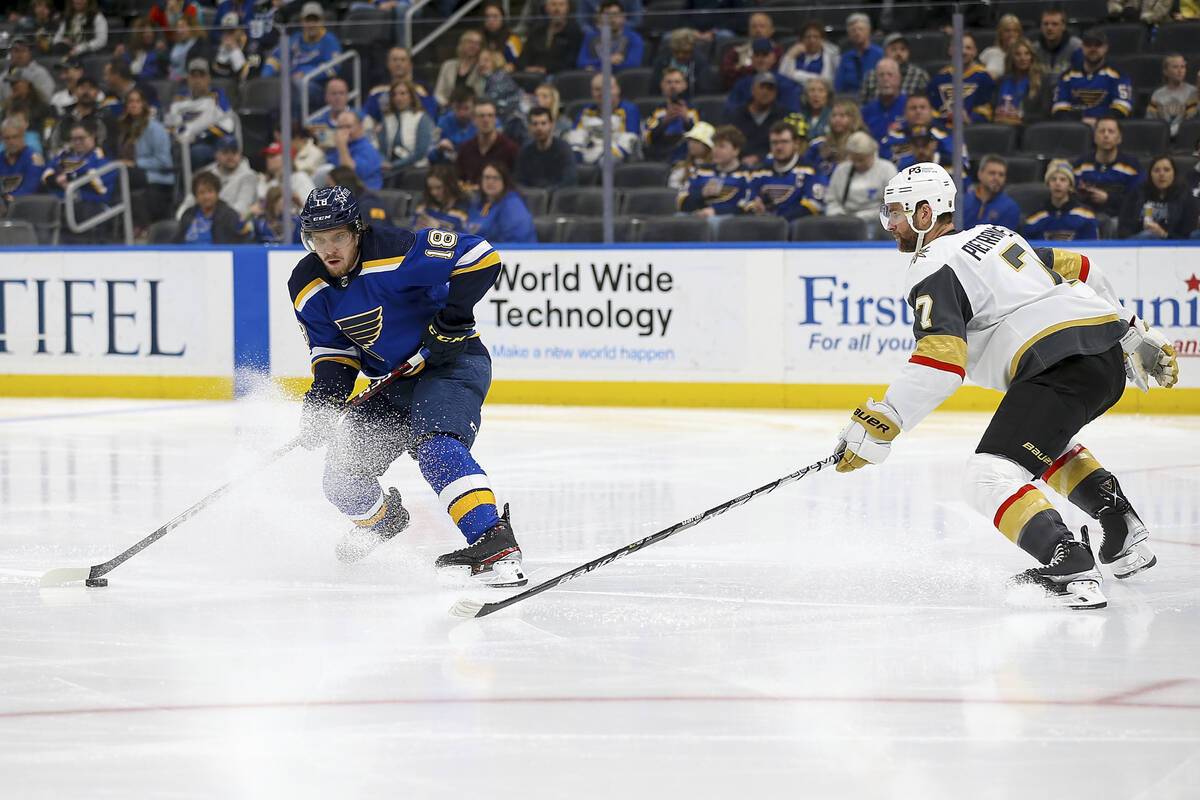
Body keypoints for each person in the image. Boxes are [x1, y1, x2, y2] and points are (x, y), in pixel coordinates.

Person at [841, 160, 1176, 609]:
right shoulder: (996, 235)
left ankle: (1068, 561)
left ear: (925, 214)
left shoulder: (932, 262)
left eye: (897, 213)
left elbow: (942, 360)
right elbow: (1080, 267)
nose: (891, 225)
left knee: (988, 474)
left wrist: (886, 418)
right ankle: (1120, 527)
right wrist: (1131, 329)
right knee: (1042, 443)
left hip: (1057, 363)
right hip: (1104, 354)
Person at [288, 184, 528, 585]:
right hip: (393, 382)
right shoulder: (306, 285)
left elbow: (481, 257)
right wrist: (324, 402)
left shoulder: (395, 249)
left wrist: (451, 320)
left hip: (451, 364)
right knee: (341, 477)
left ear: (358, 231)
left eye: (339, 237)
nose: (329, 249)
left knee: (435, 446)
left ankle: (494, 541)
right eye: (319, 239)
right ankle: (384, 521)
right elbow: (335, 354)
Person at [40, 119, 115, 242]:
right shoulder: (63, 156)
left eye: (81, 138)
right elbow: (46, 175)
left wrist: (69, 178)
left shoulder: (101, 157)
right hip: (60, 202)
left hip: (91, 205)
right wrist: (58, 180)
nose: (77, 142)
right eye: (74, 139)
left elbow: (99, 185)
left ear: (92, 136)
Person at [261, 2, 343, 115]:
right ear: (302, 21)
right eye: (308, 20)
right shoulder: (295, 39)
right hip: (291, 83)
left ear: (322, 21)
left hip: (317, 85)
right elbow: (276, 58)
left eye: (315, 20)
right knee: (271, 88)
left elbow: (334, 67)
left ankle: (296, 125)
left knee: (296, 87)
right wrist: (266, 76)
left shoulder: (329, 40)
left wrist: (306, 74)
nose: (311, 24)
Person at [114, 87, 174, 229]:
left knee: (123, 175)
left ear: (144, 104)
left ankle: (141, 227)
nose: (133, 105)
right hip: (132, 175)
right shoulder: (124, 129)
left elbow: (164, 161)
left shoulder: (155, 128)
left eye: (137, 101)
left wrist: (135, 163)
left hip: (155, 177)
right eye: (130, 102)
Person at [741, 120, 823, 220]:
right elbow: (748, 200)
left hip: (795, 227)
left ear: (796, 143)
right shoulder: (760, 172)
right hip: (763, 225)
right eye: (774, 142)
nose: (779, 147)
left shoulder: (811, 171)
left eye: (784, 142)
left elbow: (814, 204)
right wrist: (755, 208)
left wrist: (780, 220)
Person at [165, 58, 235, 169]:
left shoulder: (217, 96)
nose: (197, 80)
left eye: (201, 76)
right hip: (179, 143)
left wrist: (198, 137)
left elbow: (228, 124)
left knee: (197, 152)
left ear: (208, 78)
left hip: (206, 142)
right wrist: (174, 138)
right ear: (188, 78)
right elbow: (169, 125)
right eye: (194, 76)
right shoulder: (178, 98)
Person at [1051, 29, 1133, 123]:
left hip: (1106, 128)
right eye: (1088, 45)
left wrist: (1100, 122)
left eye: (1097, 45)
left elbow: (1123, 105)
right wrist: (1080, 122)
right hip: (1074, 128)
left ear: (1105, 48)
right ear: (1082, 47)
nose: (1093, 49)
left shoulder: (1118, 75)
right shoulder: (1067, 76)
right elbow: (1059, 108)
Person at [1072, 117, 1143, 217]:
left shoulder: (1132, 166)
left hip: (1118, 218)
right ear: (1094, 137)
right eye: (1102, 131)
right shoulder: (1080, 165)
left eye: (1111, 131)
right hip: (1085, 217)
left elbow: (1136, 200)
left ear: (1119, 138)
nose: (1106, 135)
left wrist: (1108, 199)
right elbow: (1070, 195)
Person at [1118, 154, 1200, 239]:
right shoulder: (1137, 194)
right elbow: (1124, 227)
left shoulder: (1186, 197)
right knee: (1147, 235)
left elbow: (1188, 234)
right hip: (1138, 244)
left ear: (1174, 174)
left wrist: (1163, 234)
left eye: (1166, 170)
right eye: (1156, 170)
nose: (1161, 174)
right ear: (1150, 174)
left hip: (1173, 246)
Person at [565, 73, 642, 165]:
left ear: (617, 89)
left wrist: (600, 159)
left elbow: (627, 142)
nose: (602, 92)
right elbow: (575, 138)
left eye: (607, 88)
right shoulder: (586, 111)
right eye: (597, 89)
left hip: (618, 160)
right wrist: (577, 159)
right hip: (589, 159)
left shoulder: (629, 110)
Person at [677, 124, 750, 219]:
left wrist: (716, 212)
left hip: (730, 224)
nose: (715, 151)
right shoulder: (700, 171)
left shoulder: (747, 176)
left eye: (721, 147)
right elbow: (681, 202)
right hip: (697, 220)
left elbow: (748, 207)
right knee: (679, 217)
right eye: (714, 145)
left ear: (736, 150)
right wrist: (701, 194)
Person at [824, 131, 897, 224]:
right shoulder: (841, 170)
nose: (857, 164)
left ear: (872, 153)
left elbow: (892, 206)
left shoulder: (887, 169)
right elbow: (831, 200)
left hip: (876, 223)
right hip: (844, 221)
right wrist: (839, 215)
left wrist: (859, 217)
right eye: (853, 159)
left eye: (861, 160)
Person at [178, 134, 258, 219]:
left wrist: (214, 221)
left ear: (240, 154)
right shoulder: (207, 173)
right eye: (225, 152)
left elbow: (241, 208)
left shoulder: (248, 176)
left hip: (234, 223)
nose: (230, 156)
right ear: (216, 155)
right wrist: (182, 218)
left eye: (234, 152)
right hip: (206, 221)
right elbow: (189, 201)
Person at [927, 33, 994, 127]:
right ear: (950, 50)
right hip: (942, 129)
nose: (963, 51)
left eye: (968, 48)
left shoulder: (985, 77)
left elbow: (987, 110)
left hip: (970, 130)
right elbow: (931, 108)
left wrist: (970, 118)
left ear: (975, 51)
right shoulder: (939, 78)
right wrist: (943, 119)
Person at [1023, 159, 1100, 240]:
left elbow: (1092, 246)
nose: (1057, 183)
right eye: (1053, 179)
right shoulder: (1034, 218)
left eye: (1063, 179)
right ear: (1048, 184)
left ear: (1070, 185)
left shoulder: (1086, 215)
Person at [724, 72, 788, 168]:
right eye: (762, 87)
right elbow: (726, 142)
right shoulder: (736, 114)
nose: (765, 92)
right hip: (738, 165)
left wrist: (760, 157)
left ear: (775, 93)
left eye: (770, 88)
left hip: (772, 166)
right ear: (752, 90)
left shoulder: (783, 115)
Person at [724, 39, 803, 115]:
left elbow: (793, 113)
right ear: (752, 59)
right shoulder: (742, 84)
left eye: (765, 55)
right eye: (757, 55)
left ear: (773, 58)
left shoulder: (786, 83)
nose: (760, 59)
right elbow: (730, 111)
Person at [173, 170, 252, 243]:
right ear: (195, 195)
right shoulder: (188, 214)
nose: (206, 197)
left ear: (217, 192)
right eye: (201, 192)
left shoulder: (230, 215)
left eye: (210, 191)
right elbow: (177, 241)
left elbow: (244, 240)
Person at [466, 161, 536, 242]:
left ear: (504, 181)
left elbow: (518, 237)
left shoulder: (512, 204)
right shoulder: (479, 203)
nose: (490, 182)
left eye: (495, 178)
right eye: (487, 177)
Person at [364, 47, 437, 124]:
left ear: (410, 64)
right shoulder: (377, 90)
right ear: (388, 64)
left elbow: (430, 117)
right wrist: (375, 127)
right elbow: (365, 116)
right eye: (394, 60)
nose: (398, 64)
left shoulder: (422, 89)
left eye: (403, 60)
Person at [48, 76, 115, 158]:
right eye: (82, 87)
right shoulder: (64, 117)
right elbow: (52, 144)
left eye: (91, 88)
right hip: (65, 163)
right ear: (75, 91)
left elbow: (108, 148)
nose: (86, 91)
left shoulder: (105, 117)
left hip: (95, 165)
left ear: (97, 93)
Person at [456, 101, 520, 186]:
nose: (486, 120)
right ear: (473, 120)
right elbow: (459, 178)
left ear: (496, 119)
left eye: (490, 115)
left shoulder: (510, 149)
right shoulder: (466, 148)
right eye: (481, 116)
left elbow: (515, 182)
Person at [644, 67, 700, 163]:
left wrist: (686, 120)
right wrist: (664, 122)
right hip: (660, 156)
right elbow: (648, 139)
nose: (673, 86)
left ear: (685, 85)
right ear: (662, 85)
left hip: (688, 156)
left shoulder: (694, 110)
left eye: (677, 82)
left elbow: (701, 139)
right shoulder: (656, 111)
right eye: (669, 82)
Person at [993, 38, 1052, 128]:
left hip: (1027, 130)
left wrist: (1020, 115)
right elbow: (991, 107)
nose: (1023, 58)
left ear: (1032, 56)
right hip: (1000, 128)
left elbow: (1045, 115)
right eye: (1017, 54)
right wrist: (996, 111)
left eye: (1027, 54)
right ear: (1011, 57)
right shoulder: (1000, 81)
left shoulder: (1042, 81)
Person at [376, 80, 434, 171]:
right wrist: (384, 162)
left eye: (402, 94)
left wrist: (394, 165)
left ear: (411, 97)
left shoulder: (421, 118)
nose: (398, 98)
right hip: (389, 167)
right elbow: (382, 149)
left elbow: (420, 153)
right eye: (394, 94)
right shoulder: (387, 118)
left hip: (415, 167)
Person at [858, 33, 930, 105]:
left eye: (903, 49)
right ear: (884, 53)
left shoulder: (919, 75)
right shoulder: (871, 75)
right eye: (893, 49)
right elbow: (862, 105)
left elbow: (927, 104)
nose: (899, 53)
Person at [515, 106, 577, 189]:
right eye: (535, 124)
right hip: (532, 198)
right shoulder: (525, 151)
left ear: (552, 125)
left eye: (543, 123)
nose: (539, 128)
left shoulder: (564, 150)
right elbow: (519, 181)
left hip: (557, 198)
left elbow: (569, 182)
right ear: (529, 127)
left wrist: (545, 194)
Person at [805, 99, 867, 181]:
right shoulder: (820, 143)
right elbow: (804, 166)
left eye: (842, 116)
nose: (837, 120)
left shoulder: (862, 142)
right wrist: (820, 157)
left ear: (854, 119)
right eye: (834, 116)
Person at [519, 0, 585, 76]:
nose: (557, 9)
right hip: (532, 75)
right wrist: (527, 68)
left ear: (567, 8)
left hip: (558, 77)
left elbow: (571, 63)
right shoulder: (537, 31)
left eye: (561, 5)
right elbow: (523, 57)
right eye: (553, 4)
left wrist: (546, 70)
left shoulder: (575, 33)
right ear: (547, 8)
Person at [577, 0, 644, 72]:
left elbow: (632, 64)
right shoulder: (591, 37)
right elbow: (581, 63)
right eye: (607, 15)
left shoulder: (634, 38)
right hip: (594, 79)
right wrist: (607, 60)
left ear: (623, 17)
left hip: (621, 78)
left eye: (615, 14)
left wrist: (597, 68)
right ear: (599, 18)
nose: (612, 19)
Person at [326, 110, 383, 190]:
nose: (344, 131)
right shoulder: (338, 148)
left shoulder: (368, 149)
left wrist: (342, 145)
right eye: (340, 128)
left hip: (364, 195)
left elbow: (348, 177)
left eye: (348, 127)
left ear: (360, 127)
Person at [721, 12, 779, 90]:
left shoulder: (777, 51)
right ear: (749, 30)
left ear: (771, 31)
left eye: (762, 26)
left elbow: (776, 72)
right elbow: (726, 73)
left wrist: (742, 68)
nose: (758, 30)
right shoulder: (736, 51)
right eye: (754, 27)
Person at [961, 154, 1021, 230]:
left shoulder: (1011, 208)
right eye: (992, 173)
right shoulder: (962, 201)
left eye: (1001, 175)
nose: (997, 178)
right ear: (980, 174)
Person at [649, 28, 712, 98]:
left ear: (692, 49)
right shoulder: (661, 61)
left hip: (692, 103)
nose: (680, 55)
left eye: (685, 52)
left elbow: (704, 90)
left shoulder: (700, 61)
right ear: (671, 49)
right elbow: (654, 89)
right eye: (676, 51)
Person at [1146, 54, 1198, 139]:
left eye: (1183, 67)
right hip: (1160, 138)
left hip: (1185, 138)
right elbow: (1150, 121)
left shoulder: (1192, 92)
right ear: (1165, 71)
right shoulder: (1157, 94)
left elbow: (1191, 122)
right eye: (1175, 67)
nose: (1180, 71)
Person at [0, 115, 46, 205]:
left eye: (15, 137)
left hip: (29, 208)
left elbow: (28, 190)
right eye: (7, 138)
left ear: (23, 136)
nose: (11, 142)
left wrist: (6, 201)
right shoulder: (1, 158)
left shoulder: (34, 158)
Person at [434, 30, 485, 108]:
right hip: (447, 108)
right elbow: (438, 93)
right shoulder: (448, 65)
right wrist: (446, 104)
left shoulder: (482, 67)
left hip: (473, 110)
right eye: (470, 42)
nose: (473, 46)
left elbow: (481, 94)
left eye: (477, 43)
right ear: (463, 43)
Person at [780, 19, 838, 88]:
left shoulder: (831, 55)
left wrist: (796, 75)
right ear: (801, 39)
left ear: (822, 39)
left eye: (816, 36)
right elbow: (782, 76)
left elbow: (825, 81)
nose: (812, 40)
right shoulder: (794, 52)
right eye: (808, 37)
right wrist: (791, 55)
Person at [833, 12, 882, 94]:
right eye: (853, 30)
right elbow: (838, 86)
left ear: (869, 31)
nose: (857, 33)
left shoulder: (880, 54)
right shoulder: (846, 57)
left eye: (860, 29)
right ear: (849, 34)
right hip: (850, 101)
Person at [412, 162, 469, 231]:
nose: (433, 192)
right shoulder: (424, 205)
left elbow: (465, 238)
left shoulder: (463, 209)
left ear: (450, 185)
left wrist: (439, 228)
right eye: (430, 188)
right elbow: (413, 226)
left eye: (438, 187)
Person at [0, 37, 56, 108]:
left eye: (23, 51)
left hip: (35, 112)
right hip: (10, 113)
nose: (20, 55)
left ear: (29, 53)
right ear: (11, 54)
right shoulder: (4, 77)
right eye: (16, 51)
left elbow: (47, 99)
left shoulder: (40, 73)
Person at [860, 58, 906, 142]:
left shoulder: (910, 106)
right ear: (876, 80)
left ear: (899, 78)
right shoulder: (866, 111)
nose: (885, 78)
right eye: (881, 75)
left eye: (890, 74)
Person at [1033, 5, 1082, 81]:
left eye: (1054, 24)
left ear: (1063, 26)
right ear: (1041, 26)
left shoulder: (1077, 47)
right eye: (1045, 24)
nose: (1049, 28)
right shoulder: (1034, 49)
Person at [309, 77, 357, 154]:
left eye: (341, 93)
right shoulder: (315, 123)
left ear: (347, 96)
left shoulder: (361, 119)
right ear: (326, 97)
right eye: (333, 94)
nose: (337, 98)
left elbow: (371, 148)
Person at [432, 87, 479, 164]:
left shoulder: (483, 121)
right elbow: (430, 153)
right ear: (451, 107)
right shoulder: (443, 122)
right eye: (457, 108)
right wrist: (438, 150)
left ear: (474, 107)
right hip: (448, 167)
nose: (462, 113)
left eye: (466, 108)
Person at [667, 120, 713, 189]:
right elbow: (672, 188)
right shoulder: (681, 167)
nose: (691, 144)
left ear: (707, 146)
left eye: (697, 141)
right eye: (690, 140)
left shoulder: (716, 169)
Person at [166, 15, 211, 84]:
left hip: (190, 82)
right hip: (172, 81)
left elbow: (203, 62)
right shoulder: (175, 45)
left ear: (192, 27)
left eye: (182, 27)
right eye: (177, 28)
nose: (179, 31)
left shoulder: (200, 43)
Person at [979, 14, 1024, 78]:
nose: (1011, 34)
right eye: (1007, 30)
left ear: (1019, 34)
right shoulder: (989, 52)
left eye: (1015, 31)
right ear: (1000, 33)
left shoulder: (1024, 56)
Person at [481, 2, 522, 67]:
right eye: (487, 16)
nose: (491, 20)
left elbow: (517, 65)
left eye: (495, 16)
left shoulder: (512, 40)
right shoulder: (479, 38)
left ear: (503, 19)